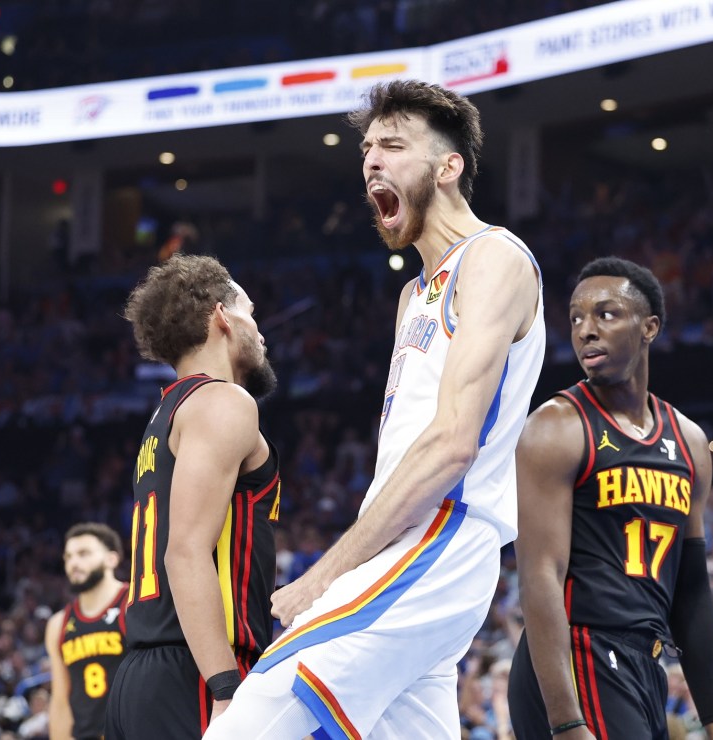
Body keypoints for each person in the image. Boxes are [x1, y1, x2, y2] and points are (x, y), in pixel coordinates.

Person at [205, 79, 544, 739]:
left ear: (449, 168)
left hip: (441, 536)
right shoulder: (413, 294)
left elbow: (452, 444)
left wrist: (325, 575)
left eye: (392, 145)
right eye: (366, 150)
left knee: (254, 717)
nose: (371, 161)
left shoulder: (493, 258)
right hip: (410, 544)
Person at [508, 257, 713, 740]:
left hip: (645, 664)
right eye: (576, 318)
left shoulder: (689, 442)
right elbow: (539, 575)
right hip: (578, 655)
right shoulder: (555, 428)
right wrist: (567, 721)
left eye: (606, 314)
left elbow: (692, 589)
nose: (586, 329)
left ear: (648, 327)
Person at [105, 253, 281, 739]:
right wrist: (225, 687)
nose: (259, 329)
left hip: (145, 674)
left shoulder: (167, 415)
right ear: (222, 317)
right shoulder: (223, 401)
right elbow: (184, 552)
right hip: (196, 671)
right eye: (249, 311)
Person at [44, 523, 127, 740]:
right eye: (68, 557)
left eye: (84, 554)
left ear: (112, 558)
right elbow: (60, 700)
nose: (74, 563)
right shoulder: (58, 624)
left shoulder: (134, 603)